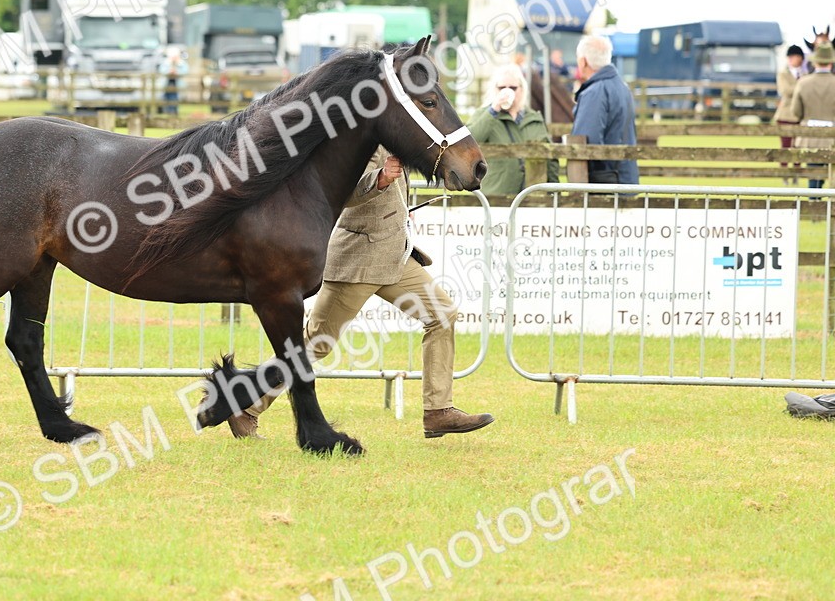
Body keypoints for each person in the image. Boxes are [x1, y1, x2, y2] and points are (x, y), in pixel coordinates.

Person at [223, 149, 495, 440]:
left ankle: (438, 412)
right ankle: (247, 406)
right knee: (315, 343)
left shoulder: (398, 137)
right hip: (359, 261)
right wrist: (379, 178)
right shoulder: (364, 139)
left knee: (442, 313)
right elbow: (344, 191)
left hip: (394, 256)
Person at [467, 64, 558, 196]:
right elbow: (469, 142)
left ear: (522, 89)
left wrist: (554, 191)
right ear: (495, 89)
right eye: (502, 87)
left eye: (513, 88)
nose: (507, 91)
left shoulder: (533, 117)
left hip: (533, 197)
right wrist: (494, 109)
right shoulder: (484, 115)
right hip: (495, 196)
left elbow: (549, 158)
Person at [570, 35, 639, 184]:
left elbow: (586, 141)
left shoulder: (594, 92)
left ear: (583, 61)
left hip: (605, 183)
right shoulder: (623, 88)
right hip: (625, 178)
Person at [790, 42, 835, 190]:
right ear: (831, 62)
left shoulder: (803, 83)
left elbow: (796, 111)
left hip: (810, 136)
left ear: (815, 62)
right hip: (832, 136)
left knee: (813, 173)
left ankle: (813, 203)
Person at [775, 45, 809, 183]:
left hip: (801, 115)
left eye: (794, 57)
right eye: (790, 57)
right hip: (785, 115)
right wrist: (801, 88)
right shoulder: (783, 74)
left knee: (798, 145)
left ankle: (796, 174)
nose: (792, 59)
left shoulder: (806, 74)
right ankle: (784, 173)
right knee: (785, 146)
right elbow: (786, 91)